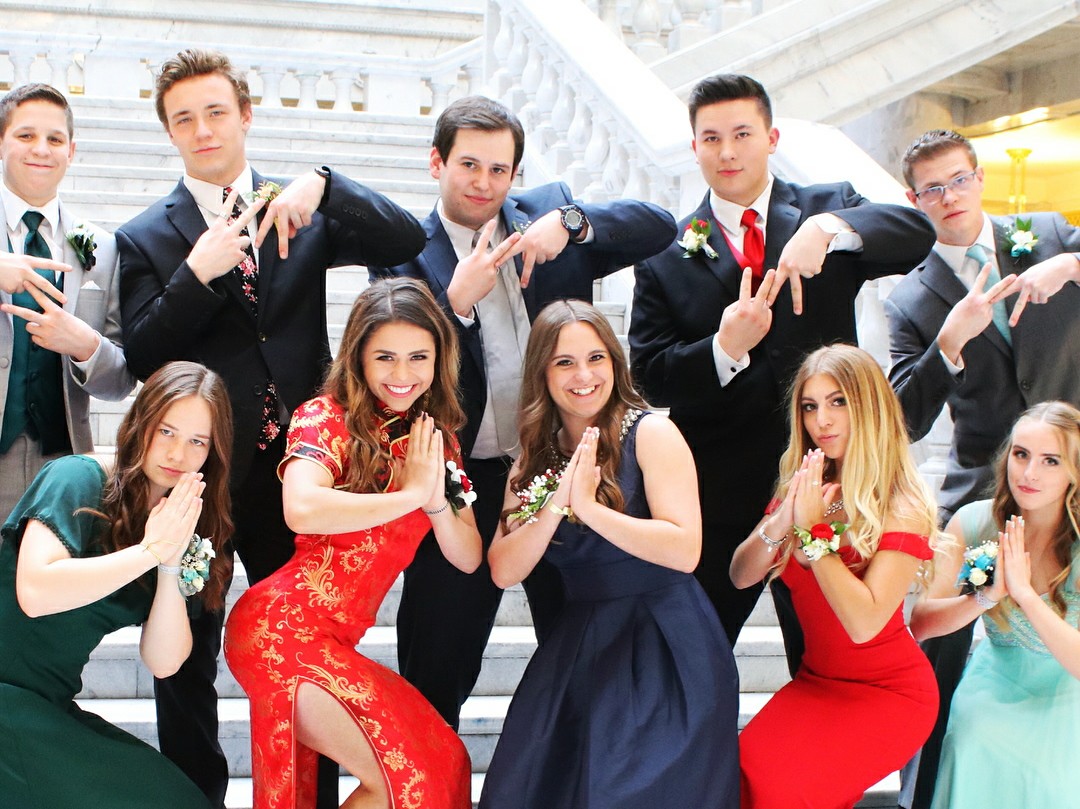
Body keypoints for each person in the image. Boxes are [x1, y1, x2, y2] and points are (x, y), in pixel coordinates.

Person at [114, 49, 426, 806]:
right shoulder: (145, 237)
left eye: (216, 111)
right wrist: (197, 271)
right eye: (184, 118)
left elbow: (406, 239)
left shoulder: (300, 207)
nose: (203, 129)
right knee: (186, 657)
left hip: (298, 473)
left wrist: (327, 181)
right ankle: (195, 796)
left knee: (302, 652)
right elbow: (142, 358)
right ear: (169, 132)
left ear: (245, 116)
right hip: (202, 477)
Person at [369, 95, 677, 730]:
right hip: (462, 479)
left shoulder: (549, 214)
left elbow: (660, 225)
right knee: (437, 663)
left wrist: (572, 221)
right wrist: (450, 306)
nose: (485, 184)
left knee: (583, 649)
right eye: (469, 166)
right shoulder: (403, 252)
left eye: (500, 169)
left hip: (558, 466)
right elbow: (390, 372)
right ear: (437, 162)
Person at [629, 74, 935, 669]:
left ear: (771, 138)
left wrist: (827, 230)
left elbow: (916, 233)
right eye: (711, 138)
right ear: (694, 147)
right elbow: (650, 377)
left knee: (831, 662)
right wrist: (723, 347)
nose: (727, 151)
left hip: (836, 491)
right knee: (695, 663)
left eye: (742, 134)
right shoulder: (667, 251)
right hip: (719, 495)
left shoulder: (827, 209)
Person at [224, 277, 477, 809]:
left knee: (446, 761)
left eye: (418, 357)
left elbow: (468, 555)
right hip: (280, 630)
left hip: (333, 643)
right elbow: (303, 508)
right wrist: (410, 495)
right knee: (403, 778)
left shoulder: (436, 440)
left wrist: (433, 500)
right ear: (358, 357)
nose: (402, 374)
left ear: (439, 359)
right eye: (385, 357)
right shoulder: (326, 417)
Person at [478, 300, 739, 809]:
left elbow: (685, 550)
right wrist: (556, 505)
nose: (584, 375)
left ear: (615, 364)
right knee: (533, 784)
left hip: (665, 636)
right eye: (564, 362)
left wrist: (590, 510)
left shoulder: (652, 434)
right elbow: (504, 568)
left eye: (596, 358)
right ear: (543, 374)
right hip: (582, 640)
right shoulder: (530, 458)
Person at [885, 128, 1080, 808]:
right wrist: (949, 342)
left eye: (958, 178)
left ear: (980, 178)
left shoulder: (1051, 234)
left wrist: (1073, 266)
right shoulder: (909, 300)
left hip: (1074, 473)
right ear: (916, 200)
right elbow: (903, 419)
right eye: (932, 187)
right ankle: (928, 788)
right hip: (983, 490)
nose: (949, 196)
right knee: (937, 652)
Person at [0, 360, 232, 809]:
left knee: (179, 799)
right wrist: (147, 551)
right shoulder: (79, 478)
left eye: (196, 441)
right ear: (140, 420)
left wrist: (167, 565)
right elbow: (36, 592)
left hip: (46, 706)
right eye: (166, 431)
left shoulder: (178, 528)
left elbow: (164, 663)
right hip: (8, 698)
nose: (177, 454)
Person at [730, 344, 941, 808]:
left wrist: (811, 533)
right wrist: (785, 516)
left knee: (786, 794)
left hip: (889, 696)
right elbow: (742, 575)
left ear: (869, 406)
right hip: (818, 682)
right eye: (810, 406)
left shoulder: (900, 505)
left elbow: (863, 623)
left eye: (837, 402)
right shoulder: (805, 486)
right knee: (742, 774)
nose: (820, 420)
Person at [909, 401, 1080, 809]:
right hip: (996, 679)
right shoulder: (976, 523)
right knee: (971, 742)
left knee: (1049, 776)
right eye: (1021, 455)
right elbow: (920, 624)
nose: (1029, 473)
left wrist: (1023, 594)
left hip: (1065, 692)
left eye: (1050, 461)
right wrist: (985, 596)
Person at [0, 82, 135, 519]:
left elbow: (119, 382)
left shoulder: (103, 246)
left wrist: (84, 344)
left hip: (61, 462)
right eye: (25, 135)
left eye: (55, 139)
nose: (41, 149)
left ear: (71, 151)